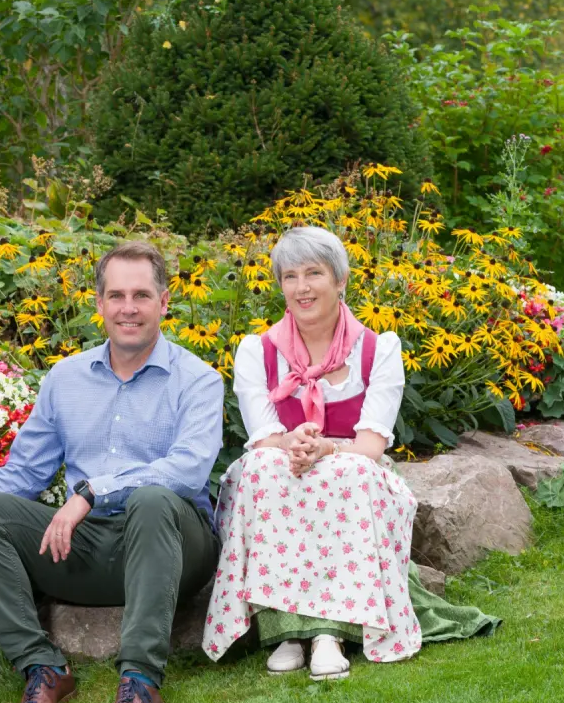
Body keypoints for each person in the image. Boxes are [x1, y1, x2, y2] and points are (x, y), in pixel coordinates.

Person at [204, 226, 498, 679]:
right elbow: (263, 437)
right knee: (263, 467)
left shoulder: (378, 350)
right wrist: (292, 443)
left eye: (314, 273)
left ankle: (328, 633)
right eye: (290, 276)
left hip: (354, 468)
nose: (301, 288)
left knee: (350, 474)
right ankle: (285, 630)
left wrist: (322, 448)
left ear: (340, 280)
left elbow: (370, 447)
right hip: (285, 461)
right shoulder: (256, 351)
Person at [0, 241, 223, 703]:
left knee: (152, 496)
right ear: (98, 304)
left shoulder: (197, 380)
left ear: (164, 302)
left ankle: (140, 680)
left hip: (174, 547)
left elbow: (186, 472)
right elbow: (25, 474)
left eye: (141, 295)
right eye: (116, 295)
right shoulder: (66, 378)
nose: (128, 308)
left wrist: (91, 491)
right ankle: (42, 666)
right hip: (88, 549)